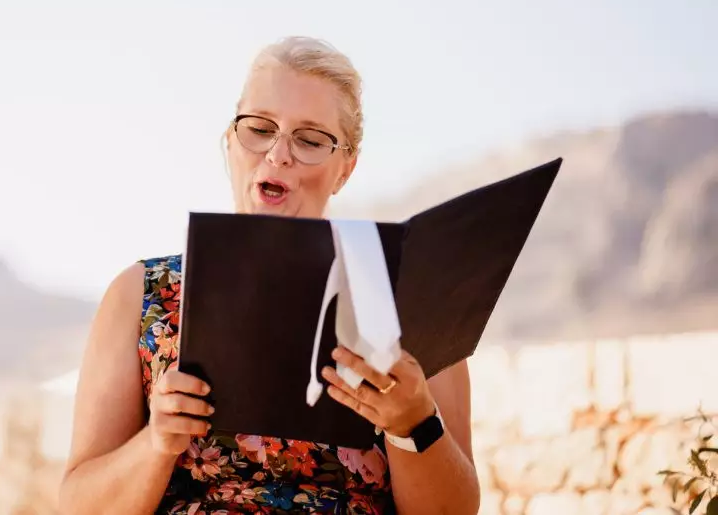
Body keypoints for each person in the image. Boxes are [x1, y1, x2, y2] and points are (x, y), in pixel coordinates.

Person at [58, 37, 480, 514]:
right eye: (259, 128)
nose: (279, 154)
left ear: (345, 169)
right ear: (230, 139)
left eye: (310, 140)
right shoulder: (140, 294)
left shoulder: (411, 302)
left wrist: (414, 425)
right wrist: (156, 443)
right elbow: (79, 504)